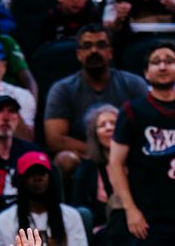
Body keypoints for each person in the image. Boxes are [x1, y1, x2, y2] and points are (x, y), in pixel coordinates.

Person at [107, 41, 175, 246]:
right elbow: (115, 163)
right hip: (149, 216)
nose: (163, 66)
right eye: (156, 62)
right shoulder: (133, 111)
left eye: (169, 60)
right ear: (146, 72)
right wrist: (130, 209)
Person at [43, 24, 147, 177]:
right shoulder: (62, 89)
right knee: (65, 159)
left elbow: (146, 127)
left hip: (127, 152)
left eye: (101, 45)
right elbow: (55, 140)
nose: (94, 51)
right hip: (83, 155)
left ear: (110, 53)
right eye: (87, 46)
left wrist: (117, 154)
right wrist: (99, 152)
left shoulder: (134, 84)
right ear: (79, 54)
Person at [0, 152, 90, 246]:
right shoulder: (5, 219)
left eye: (42, 173)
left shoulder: (71, 216)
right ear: (20, 180)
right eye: (31, 174)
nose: (38, 178)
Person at [71, 104, 120, 229]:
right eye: (102, 125)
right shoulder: (87, 169)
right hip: (100, 229)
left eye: (114, 123)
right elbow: (79, 204)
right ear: (95, 135)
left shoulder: (138, 163)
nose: (109, 128)